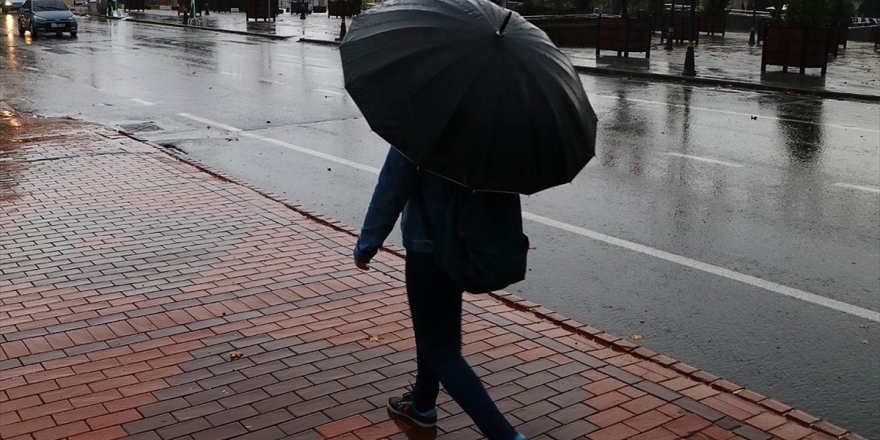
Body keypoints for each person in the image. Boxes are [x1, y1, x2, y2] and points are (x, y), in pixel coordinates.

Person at [353, 147, 528, 440]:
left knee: (443, 352)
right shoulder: (489, 129)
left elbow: (392, 186)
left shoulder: (421, 124)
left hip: (427, 251)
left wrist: (367, 245)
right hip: (462, 247)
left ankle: (507, 436)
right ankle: (422, 405)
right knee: (434, 332)